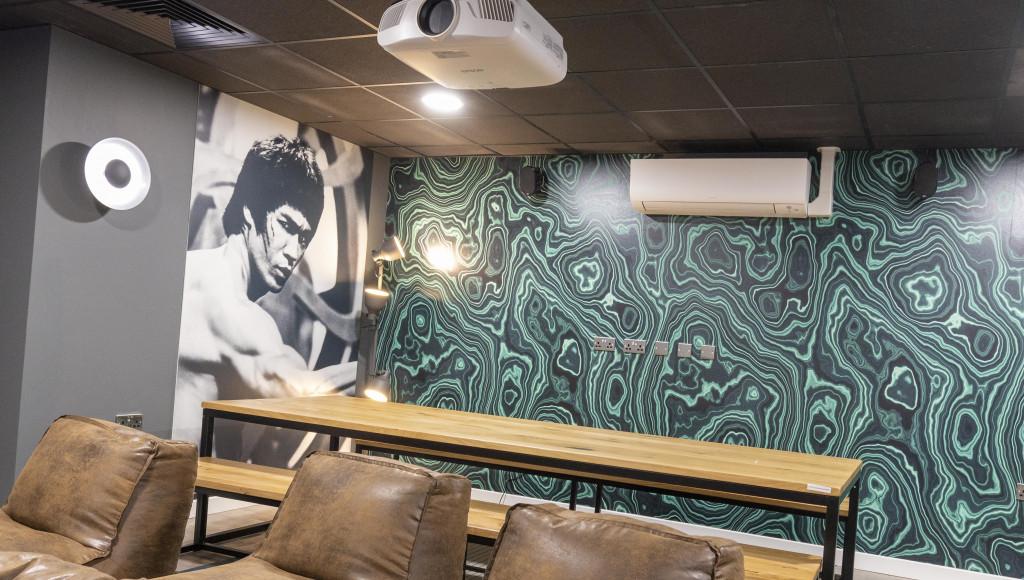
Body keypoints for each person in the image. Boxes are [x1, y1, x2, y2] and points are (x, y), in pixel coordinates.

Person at [172, 136, 355, 453]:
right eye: (286, 226)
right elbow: (294, 393)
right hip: (178, 477)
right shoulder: (230, 306)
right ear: (249, 209)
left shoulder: (189, 269)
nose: (294, 251)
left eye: (304, 238)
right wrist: (368, 376)